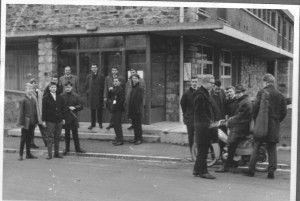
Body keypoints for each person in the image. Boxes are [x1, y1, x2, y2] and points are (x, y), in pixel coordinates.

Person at [244, 74, 287, 179]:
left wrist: (255, 119)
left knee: (256, 146)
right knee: (272, 148)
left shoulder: (262, 92)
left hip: (262, 124)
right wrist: (277, 120)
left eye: (263, 82)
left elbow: (255, 108)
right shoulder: (280, 95)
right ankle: (271, 171)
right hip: (273, 126)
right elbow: (284, 112)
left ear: (266, 82)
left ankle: (251, 170)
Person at [215, 84, 252, 173]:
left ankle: (226, 165)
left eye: (238, 93)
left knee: (231, 142)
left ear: (243, 92)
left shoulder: (244, 103)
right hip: (243, 125)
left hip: (241, 127)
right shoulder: (244, 101)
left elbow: (239, 116)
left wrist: (229, 121)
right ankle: (233, 161)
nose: (237, 94)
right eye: (236, 93)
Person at [193, 74, 217, 179]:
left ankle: (196, 169)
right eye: (211, 83)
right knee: (203, 150)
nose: (213, 85)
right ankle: (203, 171)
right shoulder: (200, 96)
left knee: (203, 149)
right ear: (204, 83)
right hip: (203, 127)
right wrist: (209, 122)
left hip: (204, 126)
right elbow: (200, 113)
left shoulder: (205, 93)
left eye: (213, 83)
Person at [61, 81, 86, 154]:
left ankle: (77, 148)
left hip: (73, 117)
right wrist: (62, 118)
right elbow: (60, 107)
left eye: (68, 87)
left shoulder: (76, 96)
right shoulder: (61, 96)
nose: (67, 89)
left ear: (71, 87)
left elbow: (81, 106)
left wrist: (75, 107)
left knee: (75, 134)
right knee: (67, 134)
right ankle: (67, 149)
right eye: (66, 87)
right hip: (65, 117)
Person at [42, 81, 65, 159]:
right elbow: (44, 110)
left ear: (56, 88)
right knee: (50, 137)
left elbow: (63, 109)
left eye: (55, 87)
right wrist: (44, 120)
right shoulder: (45, 98)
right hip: (50, 120)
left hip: (59, 120)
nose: (53, 88)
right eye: (52, 87)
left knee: (57, 137)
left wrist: (63, 118)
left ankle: (56, 153)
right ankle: (49, 154)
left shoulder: (60, 97)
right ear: (49, 88)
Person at [16, 83, 38, 160]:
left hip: (32, 122)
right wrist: (21, 123)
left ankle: (28, 154)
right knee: (23, 138)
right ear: (25, 90)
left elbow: (35, 111)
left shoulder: (33, 99)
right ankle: (20, 154)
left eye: (31, 88)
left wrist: (36, 121)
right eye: (29, 88)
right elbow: (21, 112)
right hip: (26, 122)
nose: (30, 90)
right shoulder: (23, 99)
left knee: (29, 138)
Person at [180, 77, 198, 158]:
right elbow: (182, 104)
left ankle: (198, 153)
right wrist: (186, 114)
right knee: (191, 137)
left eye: (196, 82)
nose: (194, 83)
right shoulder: (186, 93)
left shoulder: (199, 92)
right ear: (191, 82)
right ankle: (192, 154)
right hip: (190, 118)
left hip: (198, 118)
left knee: (198, 136)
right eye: (193, 81)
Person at [29, 78, 48, 149]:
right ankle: (31, 143)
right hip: (33, 113)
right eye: (33, 83)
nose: (35, 84)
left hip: (40, 112)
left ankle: (47, 142)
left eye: (35, 82)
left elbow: (42, 101)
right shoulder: (29, 92)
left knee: (43, 128)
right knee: (32, 129)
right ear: (31, 84)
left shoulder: (39, 92)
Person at [85, 63, 105, 129]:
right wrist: (88, 92)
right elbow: (86, 86)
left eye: (95, 67)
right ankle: (92, 124)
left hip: (99, 96)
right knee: (92, 111)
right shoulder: (89, 76)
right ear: (91, 68)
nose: (94, 68)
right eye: (92, 67)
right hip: (91, 97)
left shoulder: (101, 76)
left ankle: (100, 124)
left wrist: (100, 92)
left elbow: (103, 86)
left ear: (97, 68)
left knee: (100, 111)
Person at [128, 74, 144, 145]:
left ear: (138, 79)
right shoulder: (133, 87)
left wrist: (137, 110)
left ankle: (139, 139)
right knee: (134, 125)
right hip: (132, 109)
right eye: (133, 78)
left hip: (137, 110)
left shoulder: (140, 88)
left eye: (135, 78)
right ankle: (135, 138)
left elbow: (140, 100)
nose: (134, 79)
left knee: (138, 125)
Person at [109, 78, 126, 146]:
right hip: (114, 109)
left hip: (118, 110)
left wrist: (116, 107)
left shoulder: (120, 90)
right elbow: (110, 97)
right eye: (114, 81)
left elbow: (121, 101)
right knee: (115, 125)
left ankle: (120, 140)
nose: (115, 82)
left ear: (119, 82)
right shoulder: (114, 89)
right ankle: (117, 138)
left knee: (118, 125)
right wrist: (109, 91)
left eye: (116, 81)